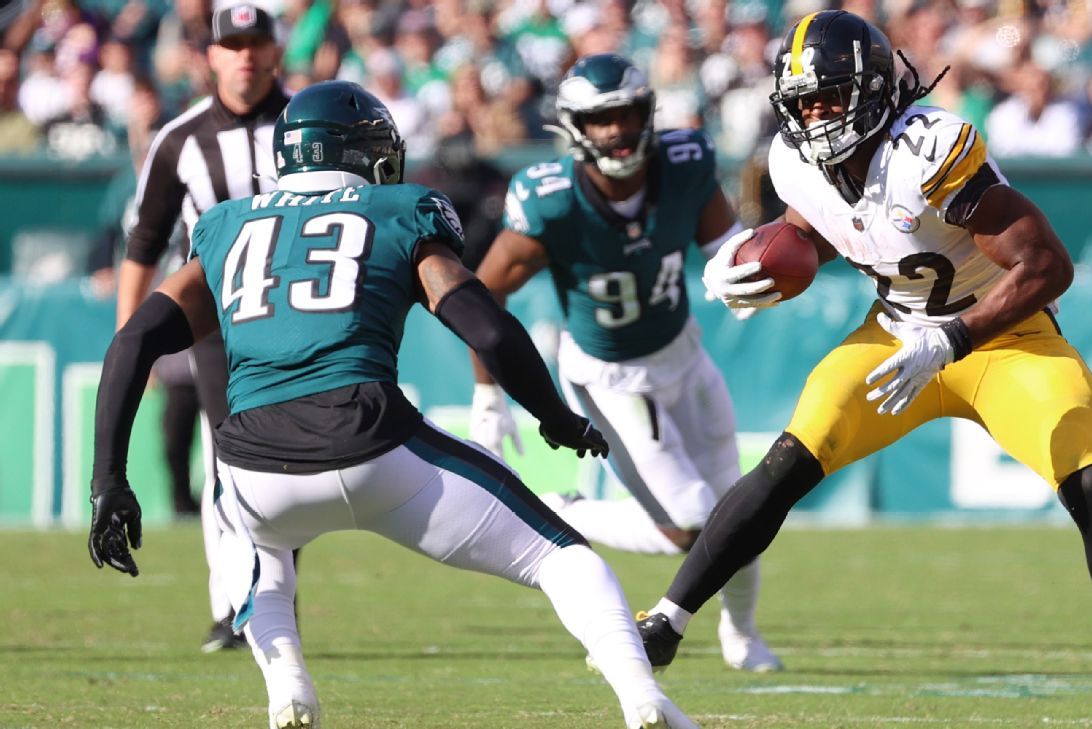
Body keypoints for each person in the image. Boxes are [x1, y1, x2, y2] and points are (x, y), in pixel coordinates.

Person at [634, 11, 1092, 729]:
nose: (814, 115)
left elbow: (1048, 265)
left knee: (1089, 478)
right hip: (897, 335)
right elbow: (829, 232)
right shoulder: (793, 162)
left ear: (869, 91)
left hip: (1005, 338)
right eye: (802, 102)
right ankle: (669, 622)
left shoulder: (930, 147)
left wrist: (954, 337)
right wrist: (757, 263)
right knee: (788, 459)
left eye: (829, 97)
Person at [86, 80, 697, 729]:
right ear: (361, 152)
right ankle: (642, 697)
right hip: (373, 441)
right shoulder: (400, 209)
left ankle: (288, 687)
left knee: (254, 558)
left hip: (254, 463)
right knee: (566, 559)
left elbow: (133, 341)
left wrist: (108, 480)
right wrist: (554, 416)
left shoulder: (228, 224)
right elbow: (487, 327)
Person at [471, 53, 783, 673]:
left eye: (627, 113)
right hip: (612, 378)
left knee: (743, 508)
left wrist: (747, 269)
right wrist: (487, 393)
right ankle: (565, 510)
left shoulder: (684, 163)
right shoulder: (552, 199)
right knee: (693, 526)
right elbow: (481, 296)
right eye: (600, 118)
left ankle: (742, 634)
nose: (616, 130)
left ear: (647, 113)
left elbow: (720, 245)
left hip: (685, 355)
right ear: (574, 128)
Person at [116, 4, 290, 652]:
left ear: (275, 51)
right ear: (210, 55)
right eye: (232, 44)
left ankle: (273, 594)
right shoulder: (180, 139)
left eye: (256, 42)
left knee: (295, 464)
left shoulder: (311, 124)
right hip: (217, 322)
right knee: (227, 462)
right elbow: (144, 247)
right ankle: (236, 604)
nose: (244, 55)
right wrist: (131, 346)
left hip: (303, 317)